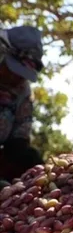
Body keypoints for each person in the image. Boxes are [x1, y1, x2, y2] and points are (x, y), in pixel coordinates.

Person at [0, 26, 45, 186]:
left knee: (30, 159)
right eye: (12, 69)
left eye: (21, 75)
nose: (16, 78)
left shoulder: (22, 92)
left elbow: (18, 141)